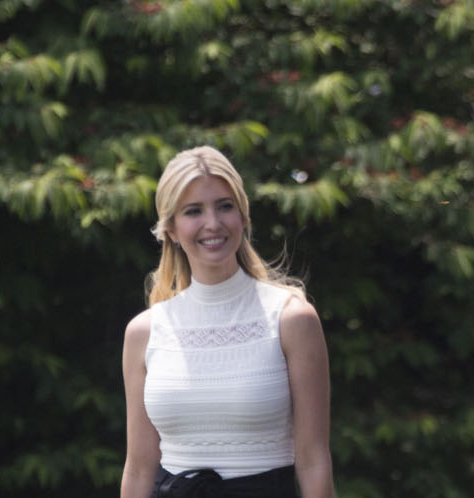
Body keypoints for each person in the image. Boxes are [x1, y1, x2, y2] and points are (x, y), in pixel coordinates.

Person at [120, 146, 335, 498]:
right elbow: (139, 468)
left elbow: (313, 460)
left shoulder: (291, 319)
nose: (213, 223)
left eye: (224, 206)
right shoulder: (144, 333)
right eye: (193, 211)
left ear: (243, 216)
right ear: (171, 229)